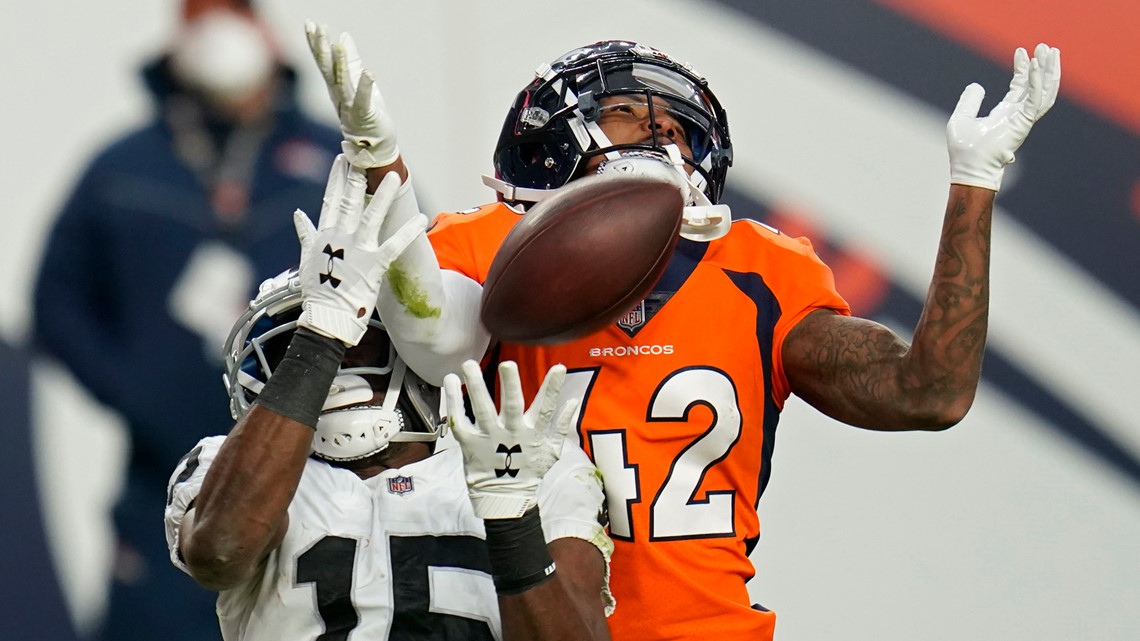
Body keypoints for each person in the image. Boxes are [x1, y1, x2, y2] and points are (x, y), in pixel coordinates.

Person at [309, 27, 1061, 640]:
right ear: (547, 141)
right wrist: (382, 163)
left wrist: (974, 184)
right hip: (523, 620)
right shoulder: (488, 246)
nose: (659, 139)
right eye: (628, 115)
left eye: (676, 128)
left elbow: (926, 392)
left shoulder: (760, 270)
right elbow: (430, 329)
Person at [164, 155, 613, 640]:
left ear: (411, 354)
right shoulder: (225, 466)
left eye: (356, 339)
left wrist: (514, 526)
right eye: (290, 350)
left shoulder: (532, 466)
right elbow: (222, 551)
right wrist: (320, 334)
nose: (336, 365)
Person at [31, 3, 343, 639]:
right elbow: (55, 302)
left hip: (319, 471)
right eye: (200, 17)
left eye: (232, 14)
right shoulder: (122, 166)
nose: (219, 35)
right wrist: (136, 394)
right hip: (165, 476)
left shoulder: (331, 157)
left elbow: (414, 278)